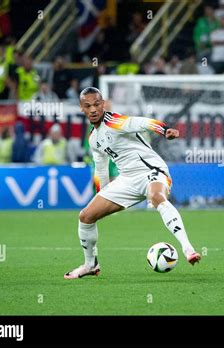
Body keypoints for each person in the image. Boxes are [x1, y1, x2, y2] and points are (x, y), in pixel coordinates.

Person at [64, 87, 201, 279]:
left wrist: (163, 130)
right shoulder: (94, 139)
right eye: (88, 106)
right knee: (86, 216)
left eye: (96, 104)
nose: (93, 109)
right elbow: (101, 169)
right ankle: (90, 265)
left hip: (151, 170)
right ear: (82, 108)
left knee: (156, 197)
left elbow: (142, 122)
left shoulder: (114, 121)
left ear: (103, 104)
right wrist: (102, 195)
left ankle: (188, 249)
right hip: (127, 179)